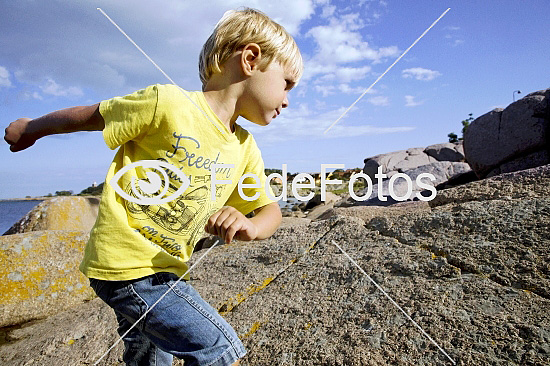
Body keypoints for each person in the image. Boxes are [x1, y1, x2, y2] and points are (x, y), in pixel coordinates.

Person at [4, 7, 303, 366]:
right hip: (130, 268)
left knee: (149, 359)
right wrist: (31, 127)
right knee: (219, 349)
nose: (287, 100)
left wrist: (251, 226)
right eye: (286, 83)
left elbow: (270, 210)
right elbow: (88, 116)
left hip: (166, 271)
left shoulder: (244, 147)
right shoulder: (169, 103)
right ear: (251, 59)